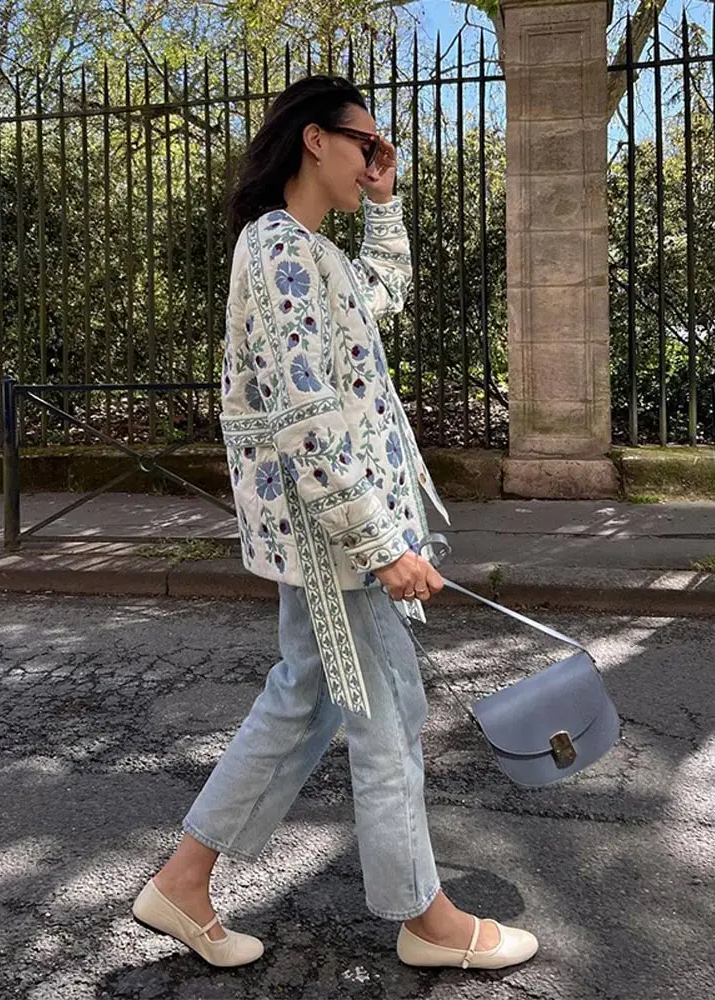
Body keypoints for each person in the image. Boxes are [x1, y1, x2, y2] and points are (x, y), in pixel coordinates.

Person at [132, 74, 538, 973]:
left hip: (329, 529)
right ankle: (425, 918)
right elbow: (304, 416)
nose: (374, 158)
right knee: (387, 705)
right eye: (365, 144)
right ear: (315, 140)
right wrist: (377, 541)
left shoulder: (311, 254)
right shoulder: (276, 253)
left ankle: (184, 880)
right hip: (333, 537)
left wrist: (386, 205)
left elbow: (383, 293)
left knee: (306, 699)